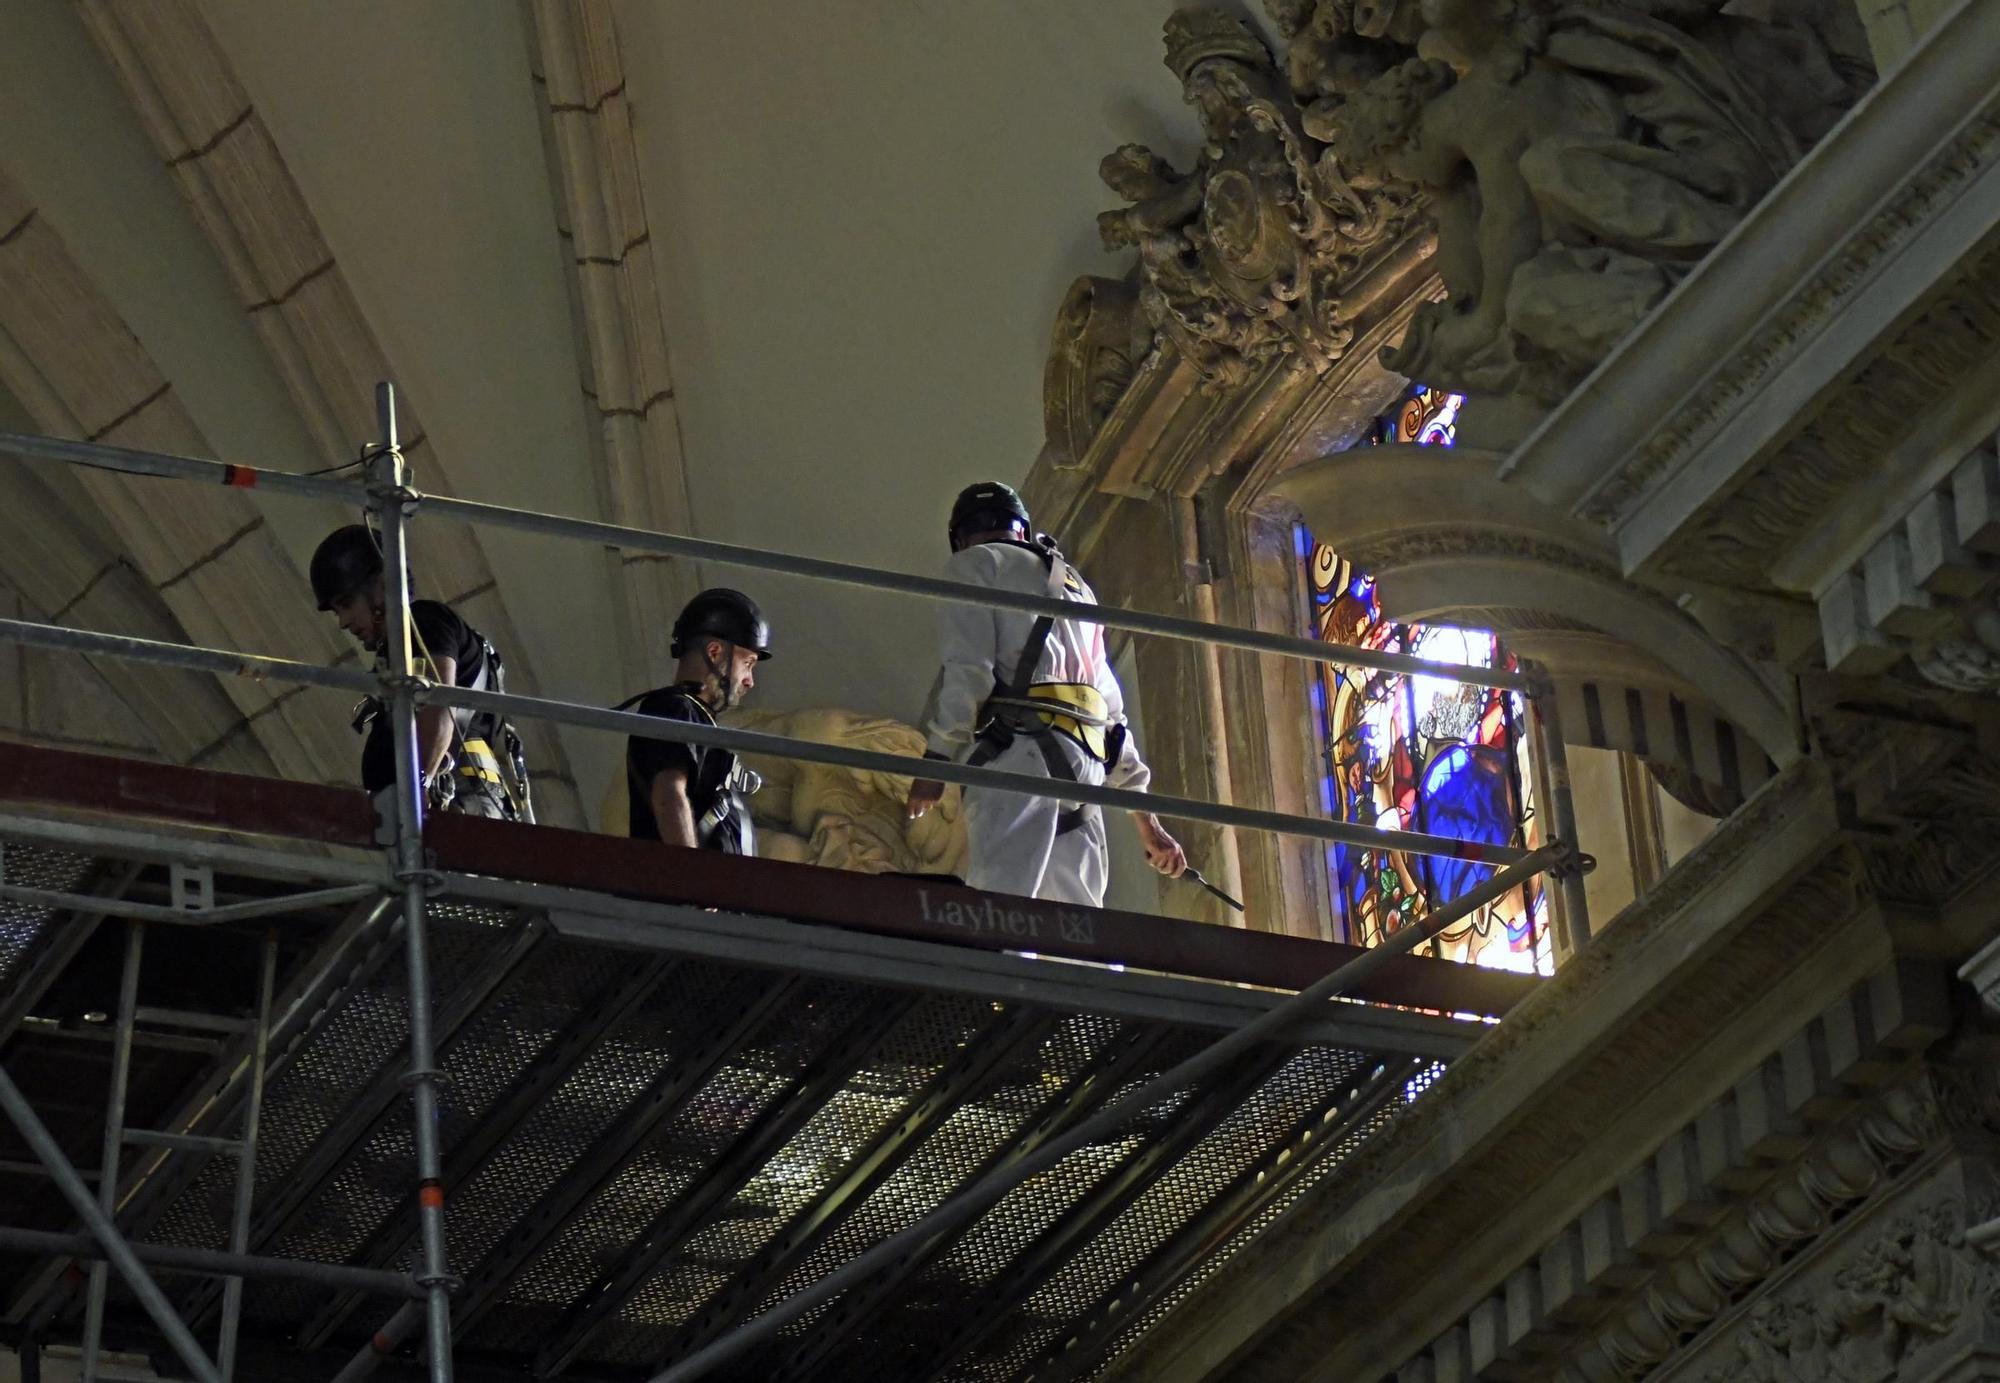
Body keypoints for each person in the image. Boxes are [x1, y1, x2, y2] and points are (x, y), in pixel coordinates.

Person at [906, 481, 1185, 906]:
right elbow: (1110, 710)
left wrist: (936, 764)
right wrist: (1147, 822)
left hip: (1018, 755)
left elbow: (969, 674)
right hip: (1085, 764)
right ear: (1022, 530)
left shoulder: (973, 566)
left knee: (1002, 910)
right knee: (1078, 926)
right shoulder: (1076, 585)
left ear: (959, 538)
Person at [310, 524, 530, 822]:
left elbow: (437, 705)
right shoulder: (404, 647)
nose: (344, 622)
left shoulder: (422, 623)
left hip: (455, 811)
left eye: (347, 604)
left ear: (382, 586)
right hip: (450, 811)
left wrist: (417, 789)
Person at [622, 589, 771, 854]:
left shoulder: (696, 716)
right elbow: (670, 793)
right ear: (714, 652)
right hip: (687, 891)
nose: (750, 680)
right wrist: (689, 878)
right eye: (747, 663)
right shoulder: (674, 707)